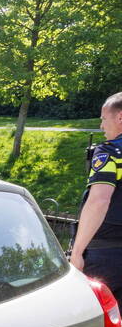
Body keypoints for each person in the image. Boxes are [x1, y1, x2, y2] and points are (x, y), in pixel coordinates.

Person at [70, 92, 122, 297]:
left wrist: (77, 252)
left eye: (103, 119)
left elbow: (99, 200)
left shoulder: (110, 152)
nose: (101, 126)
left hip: (105, 256)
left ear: (120, 118)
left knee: (94, 318)